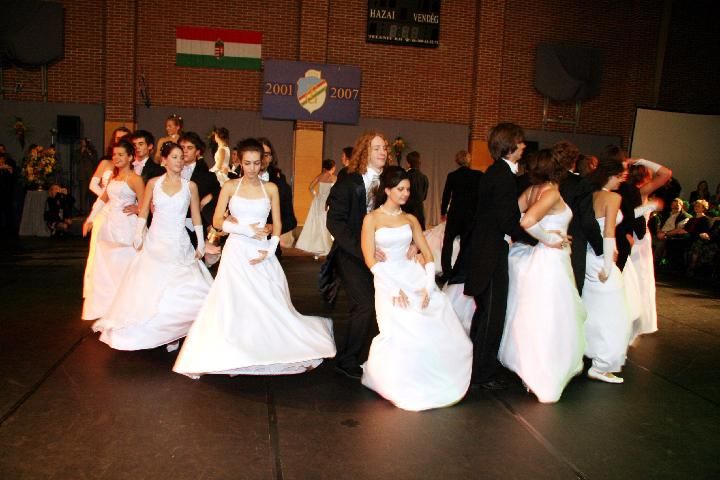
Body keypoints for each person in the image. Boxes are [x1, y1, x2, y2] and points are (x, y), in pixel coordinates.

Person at [173, 139, 335, 377]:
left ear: (262, 163)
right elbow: (217, 220)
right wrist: (244, 229)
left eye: (256, 163)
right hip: (237, 250)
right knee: (233, 300)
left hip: (261, 250)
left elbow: (278, 224)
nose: (251, 168)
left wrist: (270, 249)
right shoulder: (230, 186)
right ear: (239, 161)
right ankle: (236, 347)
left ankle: (264, 344)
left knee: (267, 299)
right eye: (247, 163)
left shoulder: (271, 189)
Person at [360, 166, 472, 411]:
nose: (405, 194)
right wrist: (392, 289)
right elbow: (369, 259)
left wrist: (429, 286)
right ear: (387, 190)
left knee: (428, 324)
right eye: (400, 189)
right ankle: (398, 382)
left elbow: (428, 254)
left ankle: (427, 379)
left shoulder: (410, 219)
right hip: (386, 279)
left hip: (412, 274)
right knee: (399, 330)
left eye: (408, 189)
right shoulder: (372, 219)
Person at [92, 142, 212, 351]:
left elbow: (195, 216)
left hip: (179, 242)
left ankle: (174, 332)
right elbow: (144, 209)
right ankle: (161, 332)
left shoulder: (190, 186)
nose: (179, 161)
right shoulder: (153, 183)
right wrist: (138, 234)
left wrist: (201, 243)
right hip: (156, 240)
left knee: (182, 286)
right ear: (164, 160)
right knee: (152, 284)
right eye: (174, 157)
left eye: (181, 157)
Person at [498, 149, 585, 403]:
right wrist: (550, 239)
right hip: (551, 259)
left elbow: (513, 215)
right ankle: (544, 370)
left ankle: (529, 366)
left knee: (535, 313)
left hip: (542, 256)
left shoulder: (532, 191)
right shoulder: (551, 192)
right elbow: (527, 222)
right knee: (550, 316)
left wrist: (549, 234)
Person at [463, 123, 536, 390]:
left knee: (486, 314)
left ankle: (479, 367)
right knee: (493, 315)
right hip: (491, 254)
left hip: (486, 251)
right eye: (520, 141)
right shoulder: (501, 176)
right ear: (509, 145)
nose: (524, 146)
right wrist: (538, 240)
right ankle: (482, 374)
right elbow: (507, 221)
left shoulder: (497, 173)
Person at [325, 131, 388, 379]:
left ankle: (377, 356)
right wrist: (363, 249)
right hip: (351, 253)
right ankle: (347, 359)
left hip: (385, 255)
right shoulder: (348, 182)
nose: (382, 152)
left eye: (384, 148)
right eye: (376, 148)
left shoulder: (391, 182)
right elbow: (334, 222)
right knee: (364, 304)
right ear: (364, 152)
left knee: (385, 305)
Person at [582, 155, 633, 383]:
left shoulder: (591, 196)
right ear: (611, 175)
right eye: (620, 175)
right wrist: (607, 265)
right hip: (602, 260)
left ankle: (595, 357)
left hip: (589, 257)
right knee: (617, 316)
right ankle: (602, 366)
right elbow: (609, 231)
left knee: (594, 311)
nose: (622, 179)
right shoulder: (612, 197)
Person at [81, 139, 145, 320]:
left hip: (127, 226)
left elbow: (145, 203)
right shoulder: (113, 178)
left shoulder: (136, 179)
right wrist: (90, 219)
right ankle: (109, 305)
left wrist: (138, 209)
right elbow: (103, 199)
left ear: (130, 157)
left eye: (121, 155)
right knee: (107, 266)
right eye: (114, 154)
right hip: (110, 225)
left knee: (126, 265)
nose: (116, 158)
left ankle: (127, 306)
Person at [625, 157, 671, 337]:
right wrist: (642, 160)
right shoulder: (642, 190)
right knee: (641, 279)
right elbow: (666, 173)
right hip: (639, 239)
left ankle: (631, 321)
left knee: (633, 278)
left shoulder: (625, 190)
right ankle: (636, 322)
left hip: (632, 237)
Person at [555, 141, 603, 294]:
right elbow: (587, 220)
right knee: (572, 291)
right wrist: (601, 248)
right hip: (573, 243)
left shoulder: (543, 181)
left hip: (544, 244)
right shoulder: (580, 184)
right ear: (574, 161)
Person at [439, 150, 483, 280]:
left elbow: (446, 195)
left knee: (448, 243)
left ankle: (447, 272)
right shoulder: (478, 175)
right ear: (469, 160)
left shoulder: (452, 176)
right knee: (466, 243)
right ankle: (461, 271)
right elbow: (482, 196)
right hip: (471, 214)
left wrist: (443, 212)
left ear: (457, 161)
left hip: (455, 213)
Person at [179, 132, 220, 245]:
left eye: (189, 148)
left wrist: (210, 196)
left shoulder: (208, 176)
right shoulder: (168, 173)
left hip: (194, 229)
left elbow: (219, 193)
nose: (184, 151)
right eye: (182, 147)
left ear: (197, 152)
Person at [258, 137, 297, 250]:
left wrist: (272, 227)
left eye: (266, 155)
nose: (262, 158)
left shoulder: (280, 185)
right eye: (259, 154)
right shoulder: (237, 183)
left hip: (269, 246)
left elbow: (291, 221)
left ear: (271, 158)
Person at [295, 159, 336, 257]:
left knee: (317, 222)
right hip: (327, 201)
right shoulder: (333, 177)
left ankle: (317, 247)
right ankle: (325, 246)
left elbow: (310, 187)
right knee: (325, 222)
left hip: (318, 201)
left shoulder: (320, 176)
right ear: (332, 167)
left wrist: (316, 195)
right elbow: (336, 190)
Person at [654, 198, 691, 270]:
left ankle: (655, 263)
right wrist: (658, 232)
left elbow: (678, 230)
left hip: (670, 236)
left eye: (677, 205)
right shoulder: (667, 214)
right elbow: (659, 224)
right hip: (660, 233)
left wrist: (665, 234)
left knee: (660, 244)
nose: (675, 207)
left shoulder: (684, 216)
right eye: (673, 205)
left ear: (681, 206)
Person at [683, 199, 715, 275]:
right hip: (691, 237)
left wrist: (695, 233)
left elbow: (705, 232)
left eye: (698, 206)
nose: (696, 207)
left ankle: (692, 267)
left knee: (697, 245)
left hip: (699, 239)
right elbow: (686, 229)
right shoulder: (692, 219)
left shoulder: (706, 219)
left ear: (703, 208)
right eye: (695, 206)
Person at [405, 151, 429, 229]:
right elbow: (424, 196)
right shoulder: (424, 177)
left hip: (407, 210)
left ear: (408, 163)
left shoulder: (405, 176)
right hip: (419, 211)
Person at [76, 138, 98, 214]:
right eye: (82, 142)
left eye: (85, 142)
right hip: (82, 176)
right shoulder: (78, 151)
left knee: (92, 195)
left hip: (91, 175)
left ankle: (92, 210)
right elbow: (76, 160)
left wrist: (89, 152)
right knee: (83, 194)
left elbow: (95, 161)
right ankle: (82, 211)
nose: (84, 143)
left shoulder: (92, 151)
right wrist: (82, 151)